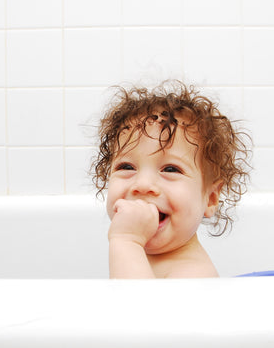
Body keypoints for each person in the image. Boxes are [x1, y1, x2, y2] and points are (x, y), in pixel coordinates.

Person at [92, 81, 251, 278]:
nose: (142, 185)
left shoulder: (193, 275)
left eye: (170, 169)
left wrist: (126, 240)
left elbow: (133, 308)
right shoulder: (140, 255)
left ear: (210, 198)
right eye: (126, 167)